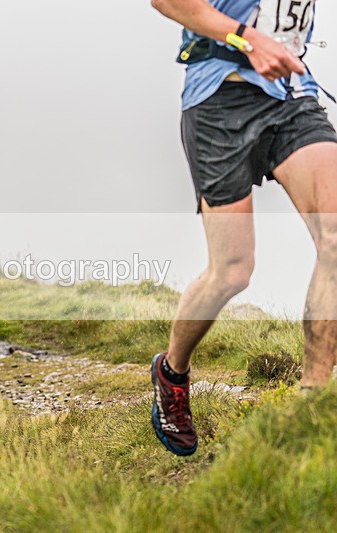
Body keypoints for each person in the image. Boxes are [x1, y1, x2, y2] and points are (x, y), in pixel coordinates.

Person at [150, 0, 337, 456]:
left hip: (292, 98)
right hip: (219, 99)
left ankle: (312, 407)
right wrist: (248, 39)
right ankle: (172, 372)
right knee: (232, 271)